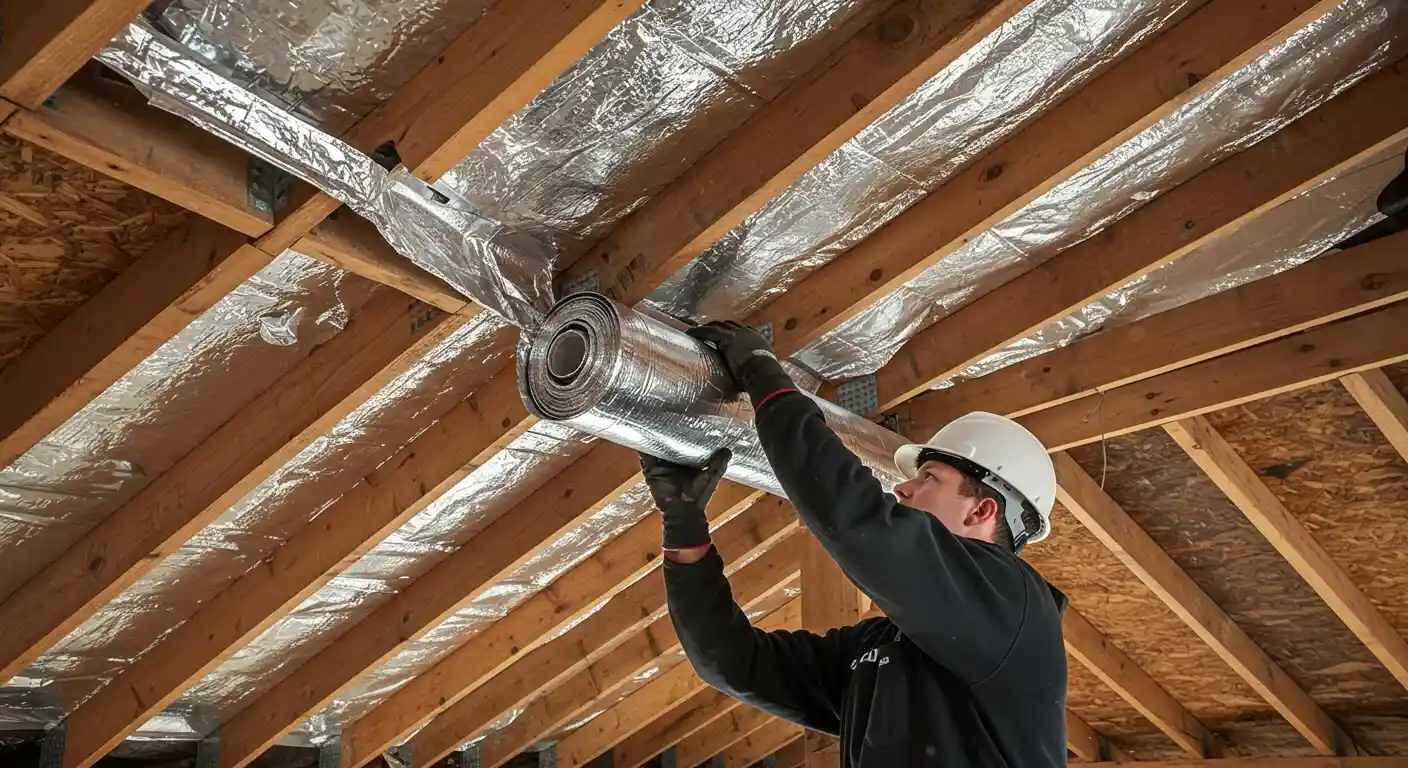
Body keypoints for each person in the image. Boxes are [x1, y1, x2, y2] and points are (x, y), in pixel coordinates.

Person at [640, 321, 1069, 766]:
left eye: (929, 479)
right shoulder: (880, 648)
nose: (902, 489)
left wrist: (765, 377)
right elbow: (734, 664)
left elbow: (858, 522)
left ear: (981, 511)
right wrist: (684, 530)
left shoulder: (1012, 605)